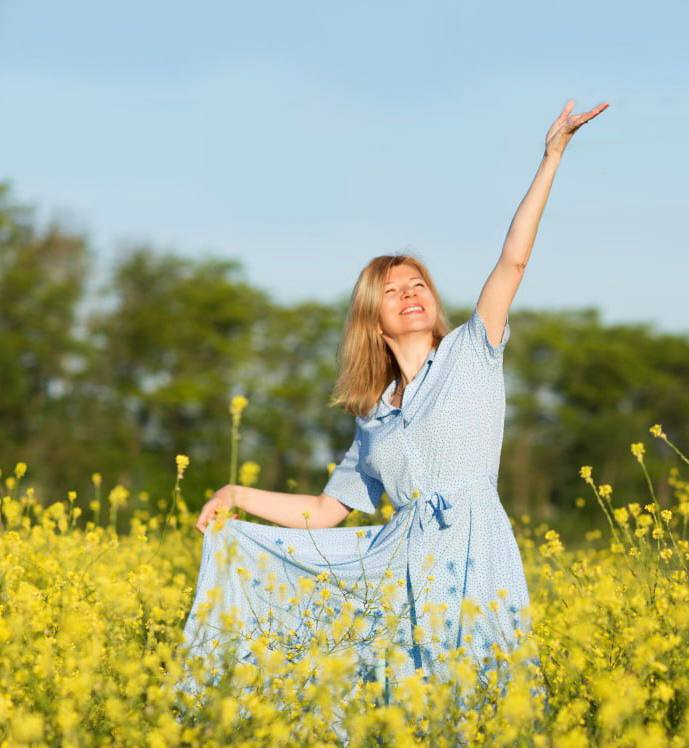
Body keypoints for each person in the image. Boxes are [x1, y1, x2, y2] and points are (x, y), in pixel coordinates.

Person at [180, 98, 609, 700]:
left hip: (475, 548)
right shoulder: (374, 417)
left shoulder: (471, 351)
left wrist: (551, 157)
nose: (410, 294)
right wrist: (236, 495)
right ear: (372, 319)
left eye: (418, 284)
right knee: (403, 705)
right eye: (392, 291)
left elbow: (513, 261)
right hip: (397, 566)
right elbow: (327, 514)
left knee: (484, 696)